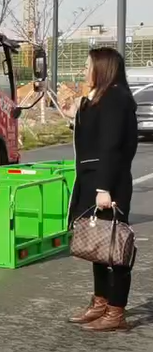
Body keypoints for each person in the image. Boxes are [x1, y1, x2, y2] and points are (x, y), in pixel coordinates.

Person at [62, 47, 138, 331]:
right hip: (92, 179)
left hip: (108, 182)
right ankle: (100, 303)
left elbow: (111, 145)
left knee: (115, 246)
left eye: (87, 66)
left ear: (103, 68)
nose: (84, 71)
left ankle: (116, 312)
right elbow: (94, 135)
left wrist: (104, 187)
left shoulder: (116, 98)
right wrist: (76, 113)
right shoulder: (101, 97)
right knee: (98, 243)